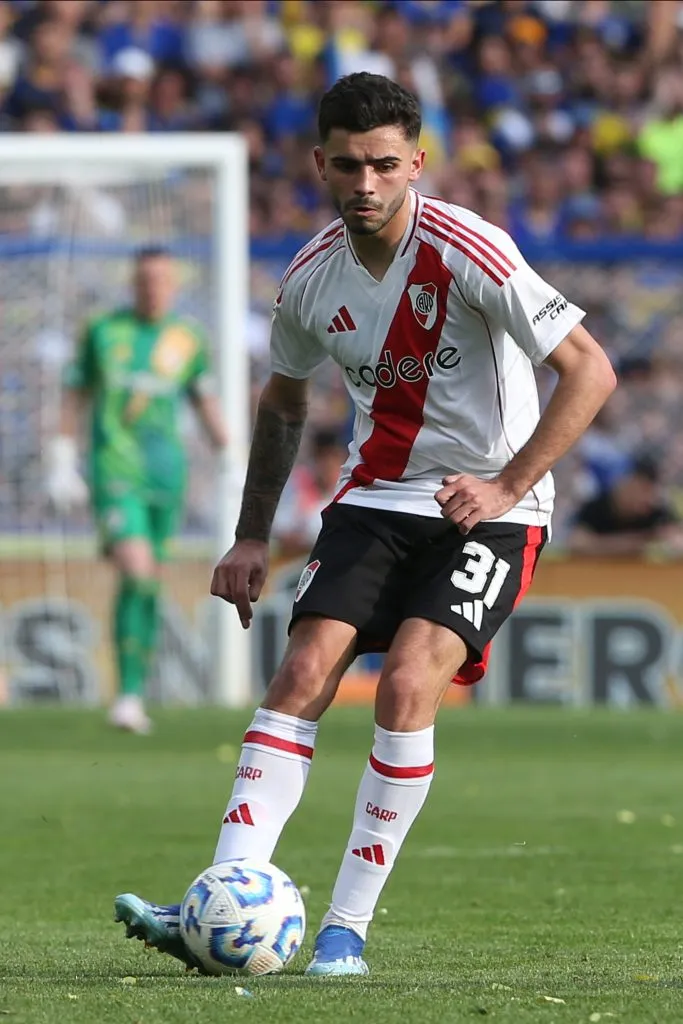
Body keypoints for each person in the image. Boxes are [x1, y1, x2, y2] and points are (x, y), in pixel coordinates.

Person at [113, 73, 616, 975]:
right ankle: (220, 900)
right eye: (346, 166)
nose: (366, 184)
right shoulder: (309, 278)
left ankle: (345, 927)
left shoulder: (471, 248)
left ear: (415, 162)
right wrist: (252, 534)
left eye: (385, 165)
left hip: (491, 513)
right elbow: (281, 406)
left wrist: (505, 486)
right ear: (319, 165)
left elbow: (589, 371)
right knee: (300, 669)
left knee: (407, 683)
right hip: (376, 498)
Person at [45, 246, 228, 734]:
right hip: (115, 470)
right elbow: (75, 392)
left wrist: (234, 458)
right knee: (138, 572)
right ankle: (126, 695)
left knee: (148, 583)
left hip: (167, 478)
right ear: (134, 282)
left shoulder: (188, 340)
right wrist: (62, 459)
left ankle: (133, 694)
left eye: (162, 280)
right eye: (145, 279)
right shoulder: (105, 332)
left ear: (173, 285)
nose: (153, 288)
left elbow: (206, 402)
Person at [568, 455, 683, 556]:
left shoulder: (657, 513)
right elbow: (577, 544)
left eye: (648, 491)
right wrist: (640, 542)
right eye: (640, 489)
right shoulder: (597, 507)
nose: (645, 497)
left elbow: (676, 542)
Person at [271, 427, 347, 560]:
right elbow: (281, 530)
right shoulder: (298, 484)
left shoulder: (348, 491)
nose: (327, 464)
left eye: (333, 457)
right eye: (322, 457)